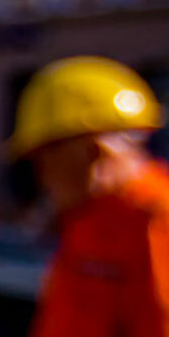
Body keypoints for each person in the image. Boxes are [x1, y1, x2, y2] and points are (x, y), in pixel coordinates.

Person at [12, 57, 168, 337]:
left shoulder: (155, 217)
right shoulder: (86, 216)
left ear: (93, 151)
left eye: (42, 159)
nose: (41, 176)